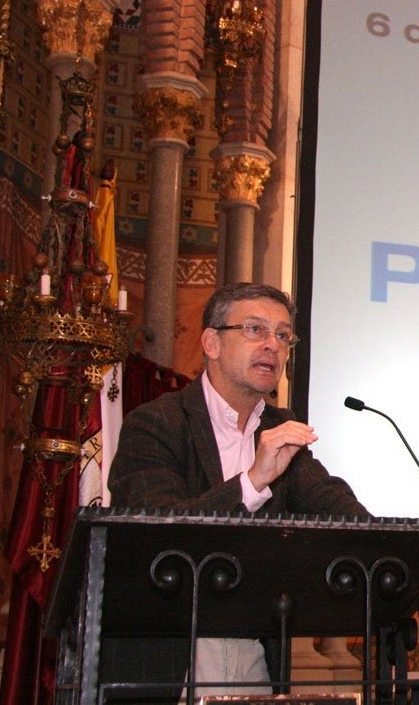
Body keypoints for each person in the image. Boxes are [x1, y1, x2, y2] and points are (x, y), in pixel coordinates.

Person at [105, 282, 370, 701]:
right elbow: (158, 533)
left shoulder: (281, 429)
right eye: (254, 329)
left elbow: (335, 505)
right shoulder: (156, 423)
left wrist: (392, 542)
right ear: (211, 342)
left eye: (283, 335)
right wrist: (253, 481)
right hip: (174, 657)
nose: (272, 345)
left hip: (254, 654)